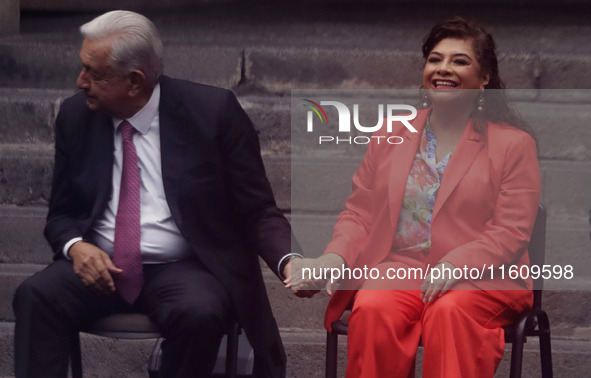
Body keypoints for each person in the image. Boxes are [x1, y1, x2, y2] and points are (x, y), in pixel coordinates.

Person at [13, 10, 302, 378]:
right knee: (35, 295)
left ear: (135, 81)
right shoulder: (76, 116)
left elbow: (258, 209)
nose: (80, 81)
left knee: (200, 311)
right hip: (99, 266)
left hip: (183, 268)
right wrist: (75, 246)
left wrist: (290, 261)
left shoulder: (212, 113)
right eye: (82, 67)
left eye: (94, 73)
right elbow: (61, 214)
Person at [287, 17, 540, 377]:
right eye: (435, 59)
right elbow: (361, 213)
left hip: (482, 275)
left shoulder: (514, 144)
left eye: (460, 61)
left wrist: (455, 264)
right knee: (373, 307)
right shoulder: (392, 133)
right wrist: (334, 257)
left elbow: (511, 231)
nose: (443, 69)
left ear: (484, 79)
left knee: (449, 311)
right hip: (403, 269)